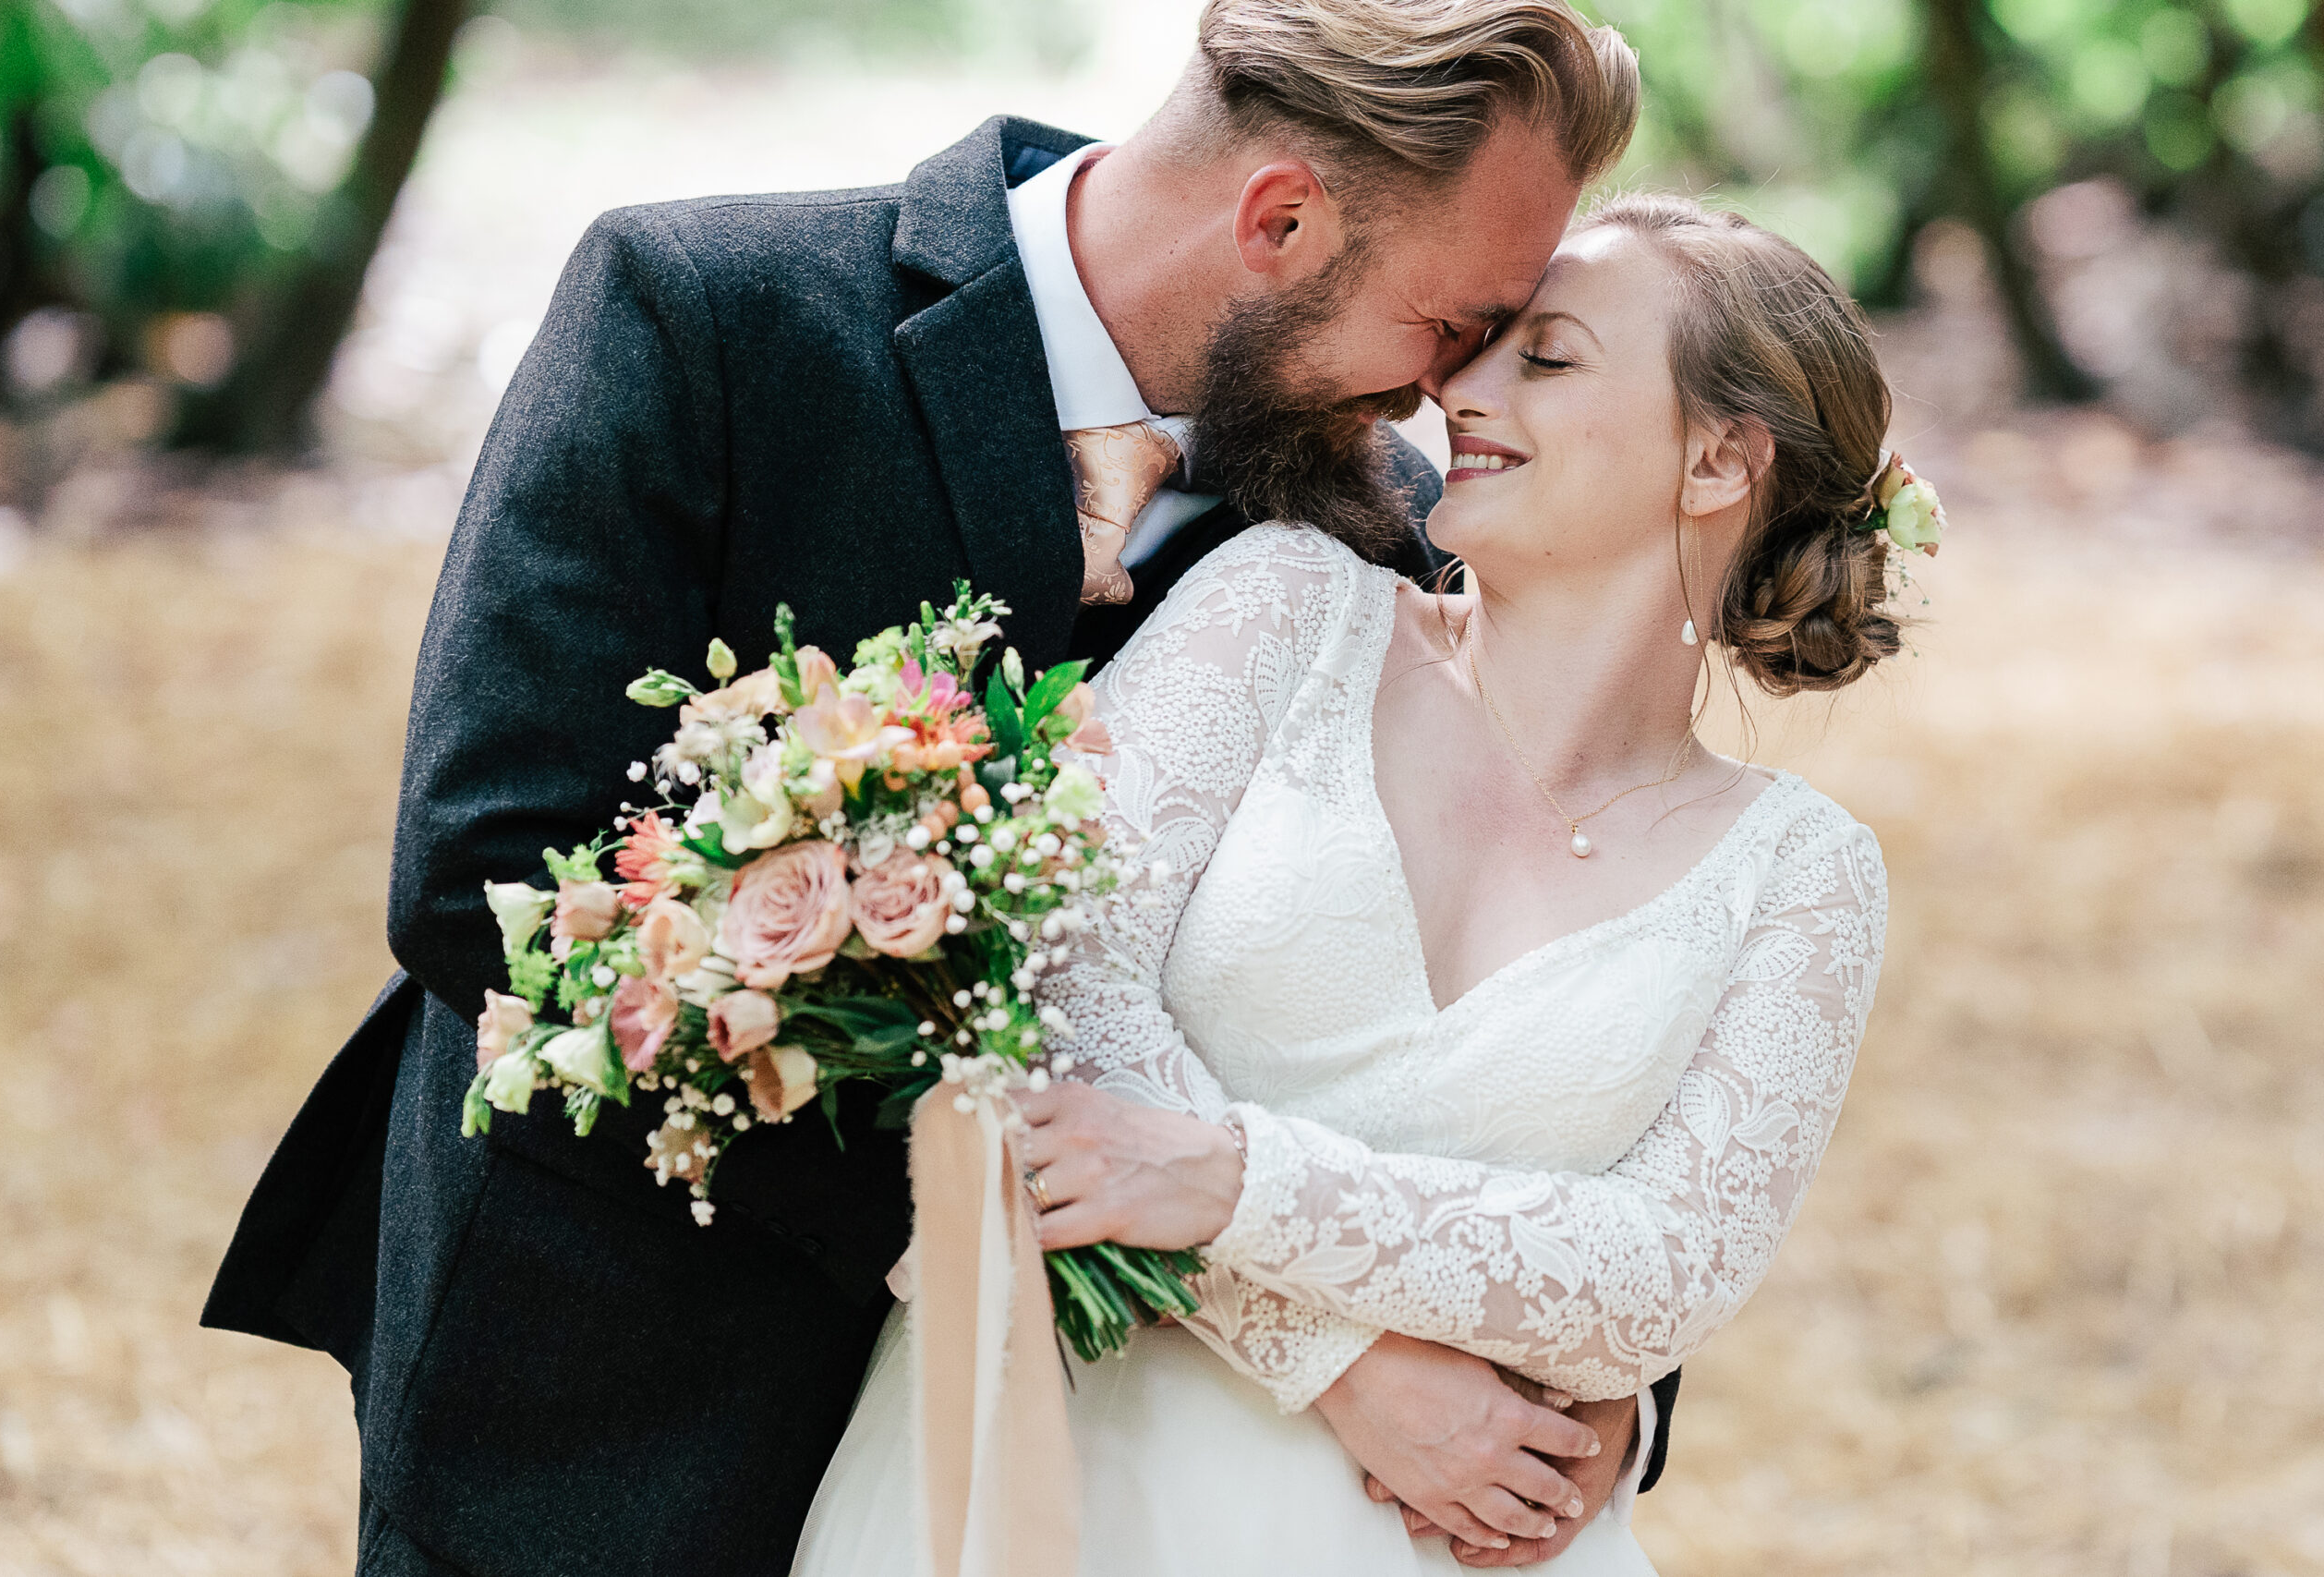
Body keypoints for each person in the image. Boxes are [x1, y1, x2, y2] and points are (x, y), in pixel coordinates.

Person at [200, 2, 1671, 1572]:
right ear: (1282, 219)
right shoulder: (706, 314)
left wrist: (1586, 1396)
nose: (1449, 397)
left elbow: (1507, 965)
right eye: (1450, 327)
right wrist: (1296, 1336)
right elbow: (489, 877)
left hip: (1116, 1489)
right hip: (616, 1399)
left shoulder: (1390, 528)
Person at [791, 195, 1903, 1575]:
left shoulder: (1801, 876)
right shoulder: (1284, 611)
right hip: (1061, 1483)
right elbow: (1048, 995)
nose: (1458, 387)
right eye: (1480, 342)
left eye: (1544, 358)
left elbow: (1658, 1276)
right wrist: (1336, 1360)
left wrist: (1229, 1178)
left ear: (1722, 457)